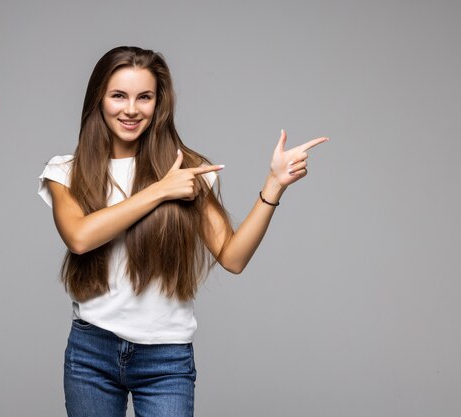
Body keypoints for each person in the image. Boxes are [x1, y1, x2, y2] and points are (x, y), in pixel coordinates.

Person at [37, 46, 328, 417]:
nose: (131, 109)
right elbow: (79, 237)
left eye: (144, 97)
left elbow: (233, 258)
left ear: (159, 104)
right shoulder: (66, 171)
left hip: (166, 360)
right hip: (92, 350)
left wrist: (274, 186)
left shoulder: (188, 171)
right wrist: (160, 189)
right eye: (118, 96)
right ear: (99, 99)